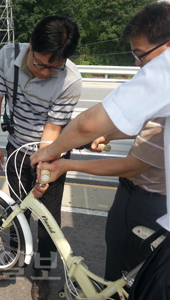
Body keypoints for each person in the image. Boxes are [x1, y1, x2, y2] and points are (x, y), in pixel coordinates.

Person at [30, 3, 170, 299]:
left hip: (149, 201)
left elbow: (89, 129)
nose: (137, 64)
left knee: (122, 278)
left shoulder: (166, 66)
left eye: (140, 54)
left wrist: (57, 157)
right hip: (153, 199)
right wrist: (110, 133)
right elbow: (147, 124)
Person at [0, 15, 81, 300]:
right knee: (17, 210)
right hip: (17, 148)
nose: (44, 72)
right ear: (30, 46)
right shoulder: (7, 56)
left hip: (51, 153)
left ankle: (41, 274)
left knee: (48, 219)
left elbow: (53, 133)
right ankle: (13, 258)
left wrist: (44, 175)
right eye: (39, 64)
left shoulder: (70, 81)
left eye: (54, 68)